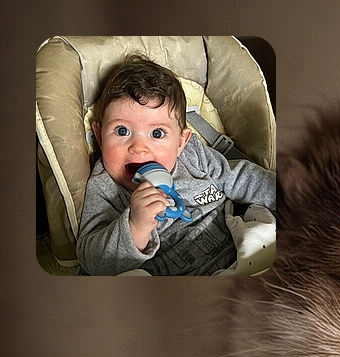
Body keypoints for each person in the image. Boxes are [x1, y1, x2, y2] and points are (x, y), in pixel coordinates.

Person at [77, 54, 275, 275]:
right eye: (122, 131)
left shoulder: (193, 154)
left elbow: (239, 178)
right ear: (100, 136)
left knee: (266, 227)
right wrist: (135, 227)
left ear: (181, 142)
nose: (139, 147)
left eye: (157, 133)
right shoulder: (103, 186)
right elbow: (92, 261)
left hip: (240, 252)